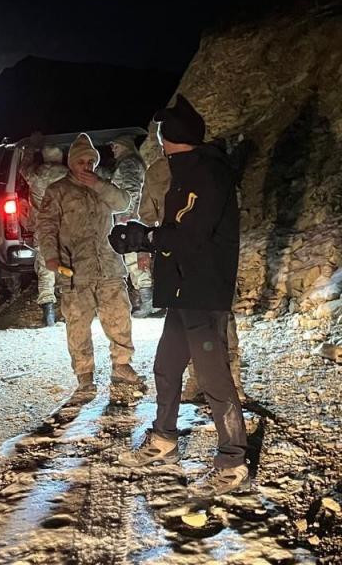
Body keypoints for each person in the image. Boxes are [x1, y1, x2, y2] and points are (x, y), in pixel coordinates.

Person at [114, 95, 249, 497]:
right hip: (182, 290)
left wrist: (146, 238)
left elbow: (192, 236)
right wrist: (143, 235)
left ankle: (233, 462)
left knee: (214, 378)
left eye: (160, 135)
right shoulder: (187, 170)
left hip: (202, 291)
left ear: (167, 138)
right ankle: (164, 439)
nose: (158, 140)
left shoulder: (207, 173)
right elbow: (179, 228)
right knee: (166, 367)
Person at [139, 126, 247, 403]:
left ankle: (227, 387)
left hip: (206, 264)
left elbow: (222, 218)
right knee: (181, 339)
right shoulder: (157, 172)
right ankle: (200, 385)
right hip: (175, 263)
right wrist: (146, 244)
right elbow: (149, 213)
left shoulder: (211, 170)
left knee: (217, 329)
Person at [35, 134, 145, 404]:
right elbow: (46, 226)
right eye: (81, 162)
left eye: (90, 161)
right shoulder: (58, 191)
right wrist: (51, 257)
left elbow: (123, 203)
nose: (86, 166)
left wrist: (98, 184)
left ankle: (122, 365)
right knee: (78, 323)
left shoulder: (102, 185)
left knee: (119, 317)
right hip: (75, 269)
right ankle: (84, 375)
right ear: (71, 163)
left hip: (108, 266)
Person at [21, 144, 69, 327]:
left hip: (43, 227)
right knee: (66, 265)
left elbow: (23, 167)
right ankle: (68, 310)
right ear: (60, 157)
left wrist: (30, 148)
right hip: (65, 227)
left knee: (45, 267)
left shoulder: (35, 173)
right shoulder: (69, 175)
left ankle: (48, 312)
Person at [107, 134, 151, 316]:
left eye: (115, 146)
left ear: (125, 146)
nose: (113, 150)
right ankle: (146, 300)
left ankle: (148, 302)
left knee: (135, 256)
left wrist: (128, 215)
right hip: (133, 217)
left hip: (131, 218)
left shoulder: (128, 163)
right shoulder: (129, 162)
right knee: (134, 256)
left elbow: (132, 189)